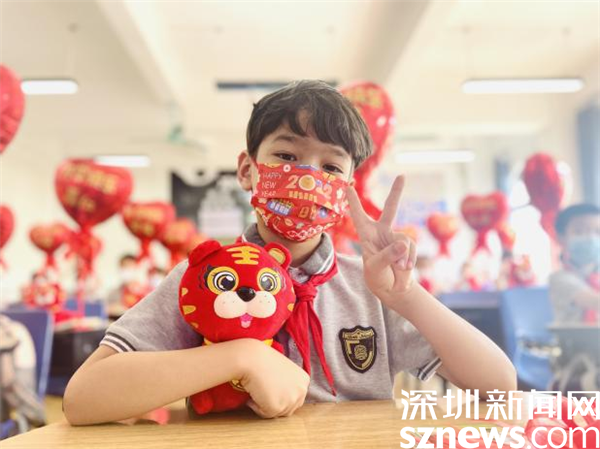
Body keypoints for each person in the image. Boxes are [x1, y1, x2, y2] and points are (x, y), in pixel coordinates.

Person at [63, 80, 515, 425]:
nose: (306, 177)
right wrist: (240, 357)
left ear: (347, 190)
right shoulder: (202, 278)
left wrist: (406, 296)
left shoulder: (369, 288)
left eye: (330, 166)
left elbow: (499, 385)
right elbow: (82, 399)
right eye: (286, 156)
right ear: (248, 170)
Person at [549, 203, 600, 324]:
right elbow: (595, 302)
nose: (591, 238)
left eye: (598, 231)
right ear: (561, 238)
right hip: (574, 337)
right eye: (579, 231)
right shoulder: (560, 279)